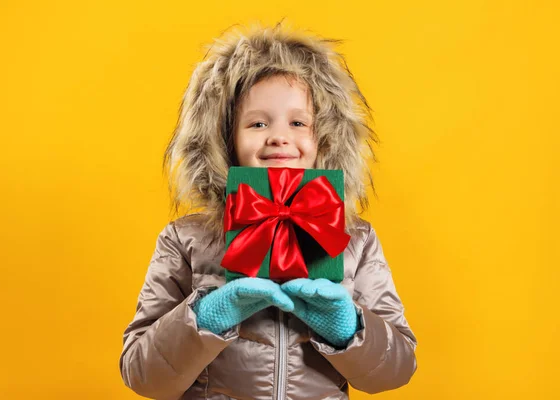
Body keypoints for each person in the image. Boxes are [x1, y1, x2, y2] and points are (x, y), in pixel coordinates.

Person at [119, 20, 418, 400]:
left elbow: (395, 372)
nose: (279, 136)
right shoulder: (185, 238)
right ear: (225, 139)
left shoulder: (356, 240)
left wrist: (347, 328)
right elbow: (143, 376)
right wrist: (208, 316)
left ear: (325, 137)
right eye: (257, 123)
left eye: (298, 122)